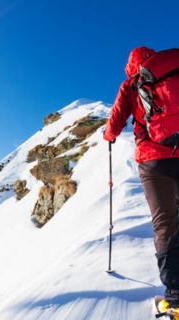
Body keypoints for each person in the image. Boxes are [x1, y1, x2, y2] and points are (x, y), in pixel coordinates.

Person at [104, 46, 179, 315]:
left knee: (165, 224)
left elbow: (116, 122)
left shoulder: (132, 84)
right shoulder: (171, 72)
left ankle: (175, 296)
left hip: (153, 160)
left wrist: (108, 137)